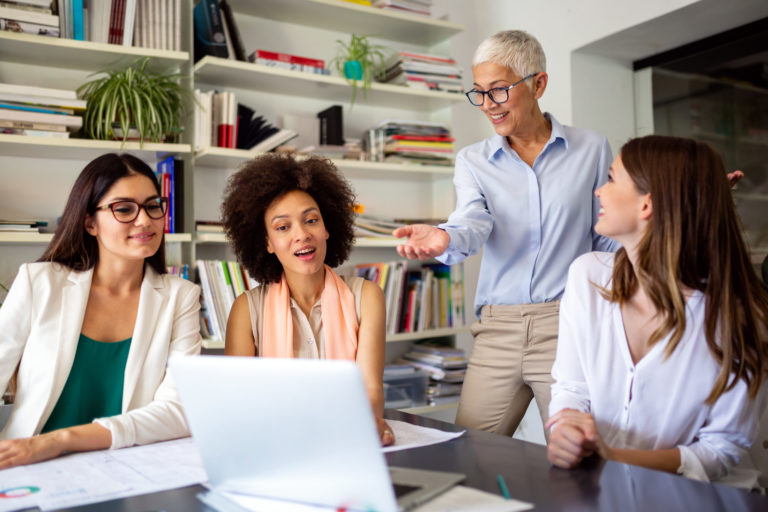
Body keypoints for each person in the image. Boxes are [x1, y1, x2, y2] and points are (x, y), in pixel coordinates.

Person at [393, 30, 617, 436]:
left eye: (498, 91)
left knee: (581, 458)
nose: (487, 105)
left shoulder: (592, 148)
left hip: (566, 325)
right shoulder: (473, 161)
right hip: (498, 330)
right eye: (478, 93)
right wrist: (446, 238)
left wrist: (676, 208)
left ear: (538, 84)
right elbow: (472, 221)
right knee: (470, 451)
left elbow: (607, 236)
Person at [546, 135, 768, 488]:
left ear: (646, 205)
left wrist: (614, 456)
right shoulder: (586, 276)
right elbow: (570, 388)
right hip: (609, 489)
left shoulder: (738, 316)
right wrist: (567, 429)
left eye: (611, 178)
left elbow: (722, 449)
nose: (598, 191)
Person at [0, 153, 202, 469]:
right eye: (124, 209)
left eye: (152, 206)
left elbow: (178, 410)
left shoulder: (181, 297)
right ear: (90, 222)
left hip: (126, 469)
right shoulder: (39, 283)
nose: (145, 220)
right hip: (27, 465)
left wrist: (60, 440)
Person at [221, 154, 393, 446]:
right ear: (267, 243)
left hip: (347, 444)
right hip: (277, 447)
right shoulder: (246, 309)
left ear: (327, 228)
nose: (302, 235)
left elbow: (371, 390)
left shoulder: (367, 297)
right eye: (283, 227)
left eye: (311, 220)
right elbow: (240, 402)